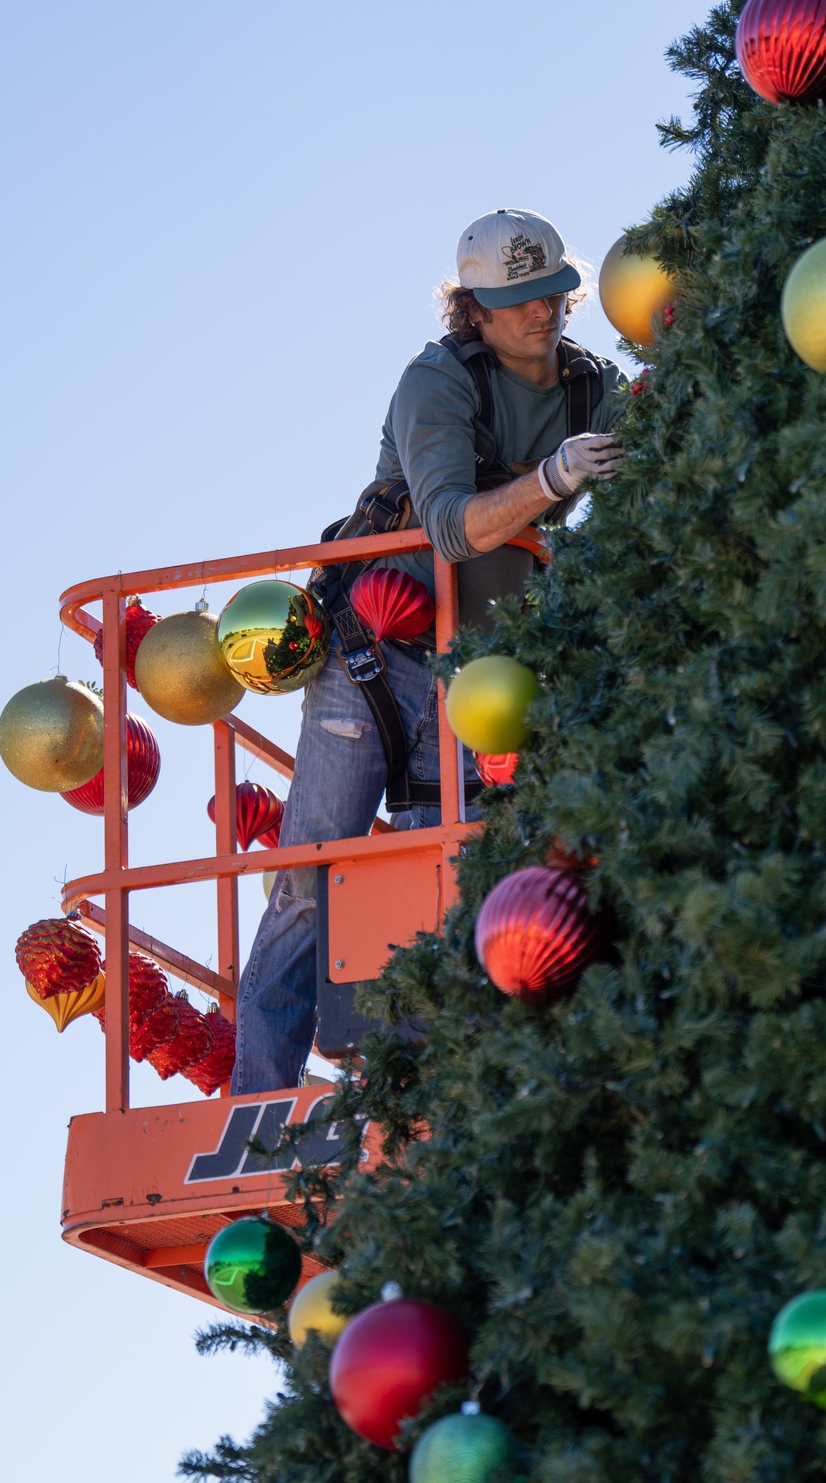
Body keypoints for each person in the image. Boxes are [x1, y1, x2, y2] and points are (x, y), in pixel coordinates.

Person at [232, 208, 628, 1094]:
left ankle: (433, 1100)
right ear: (474, 310)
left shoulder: (590, 386)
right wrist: (556, 477)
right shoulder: (437, 383)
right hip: (374, 662)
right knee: (308, 881)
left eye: (554, 295)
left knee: (449, 889)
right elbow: (449, 527)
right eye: (520, 301)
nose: (543, 314)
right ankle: (256, 1103)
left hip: (479, 677)